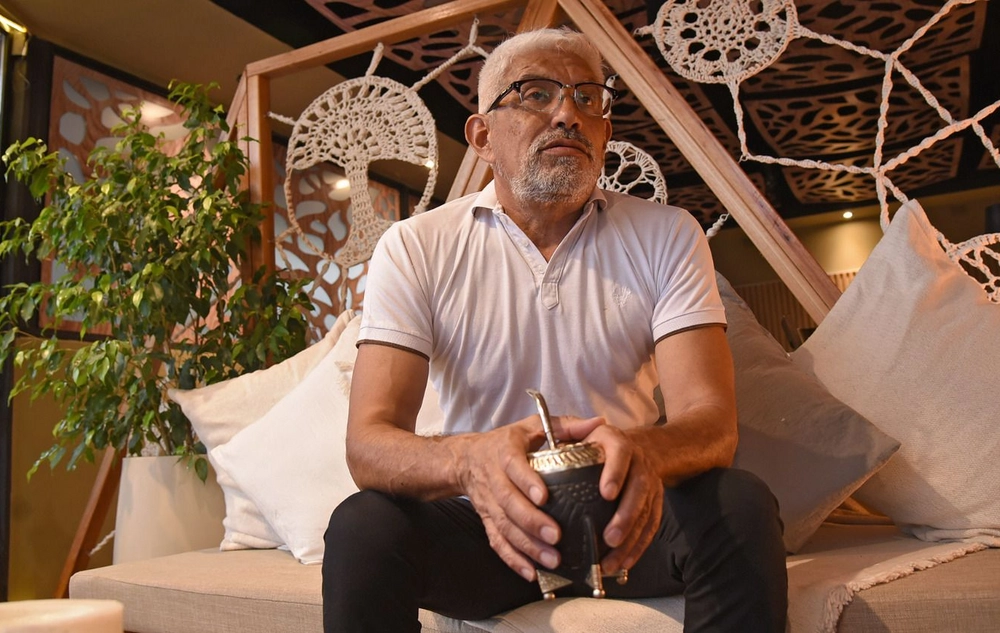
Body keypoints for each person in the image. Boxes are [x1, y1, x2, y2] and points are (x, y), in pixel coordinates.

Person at [322, 27, 788, 633]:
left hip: (624, 518)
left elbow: (711, 421)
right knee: (362, 527)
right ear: (482, 136)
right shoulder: (416, 247)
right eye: (536, 94)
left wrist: (645, 451)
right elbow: (368, 442)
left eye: (587, 98)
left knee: (741, 504)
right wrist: (470, 460)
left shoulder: (669, 234)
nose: (568, 113)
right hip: (488, 525)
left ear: (605, 133)